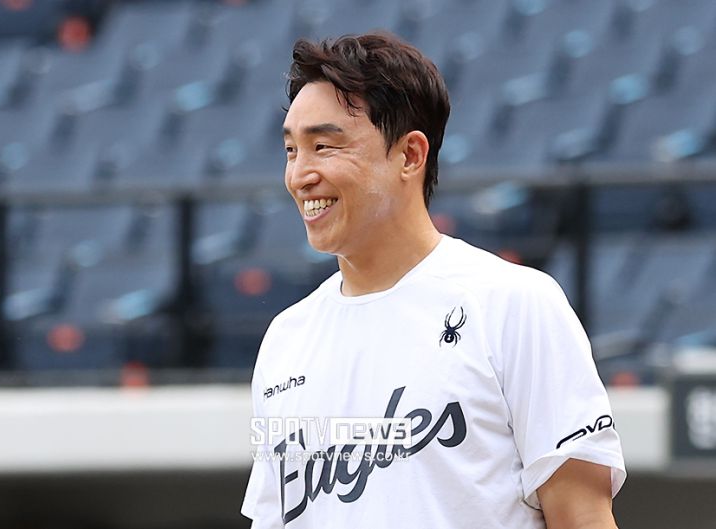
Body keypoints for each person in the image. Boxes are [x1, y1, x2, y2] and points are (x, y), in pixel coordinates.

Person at [241, 32, 625, 529]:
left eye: (324, 146)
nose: (300, 175)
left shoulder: (514, 303)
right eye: (292, 150)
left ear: (410, 155)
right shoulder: (286, 339)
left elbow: (583, 517)